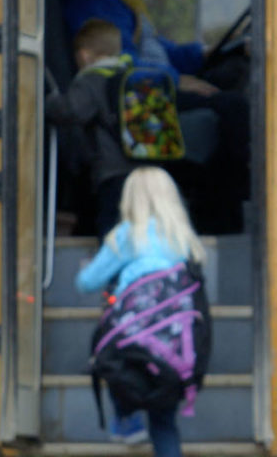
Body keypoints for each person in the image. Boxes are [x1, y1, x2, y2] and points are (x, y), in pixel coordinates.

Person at [62, 0, 250, 234]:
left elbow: (159, 49)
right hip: (138, 99)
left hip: (151, 86)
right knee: (233, 108)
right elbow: (119, 62)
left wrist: (207, 52)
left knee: (230, 75)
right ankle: (227, 216)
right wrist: (176, 81)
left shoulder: (119, 0)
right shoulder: (87, 2)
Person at [75, 166, 206, 457]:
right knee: (164, 425)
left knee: (109, 358)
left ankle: (126, 419)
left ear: (129, 199)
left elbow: (86, 282)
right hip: (174, 349)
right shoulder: (183, 238)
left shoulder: (126, 236)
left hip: (132, 345)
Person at [45, 18, 146, 240]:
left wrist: (49, 103)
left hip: (113, 171)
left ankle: (110, 267)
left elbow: (72, 110)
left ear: (84, 55)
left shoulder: (92, 80)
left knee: (109, 224)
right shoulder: (133, 75)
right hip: (145, 166)